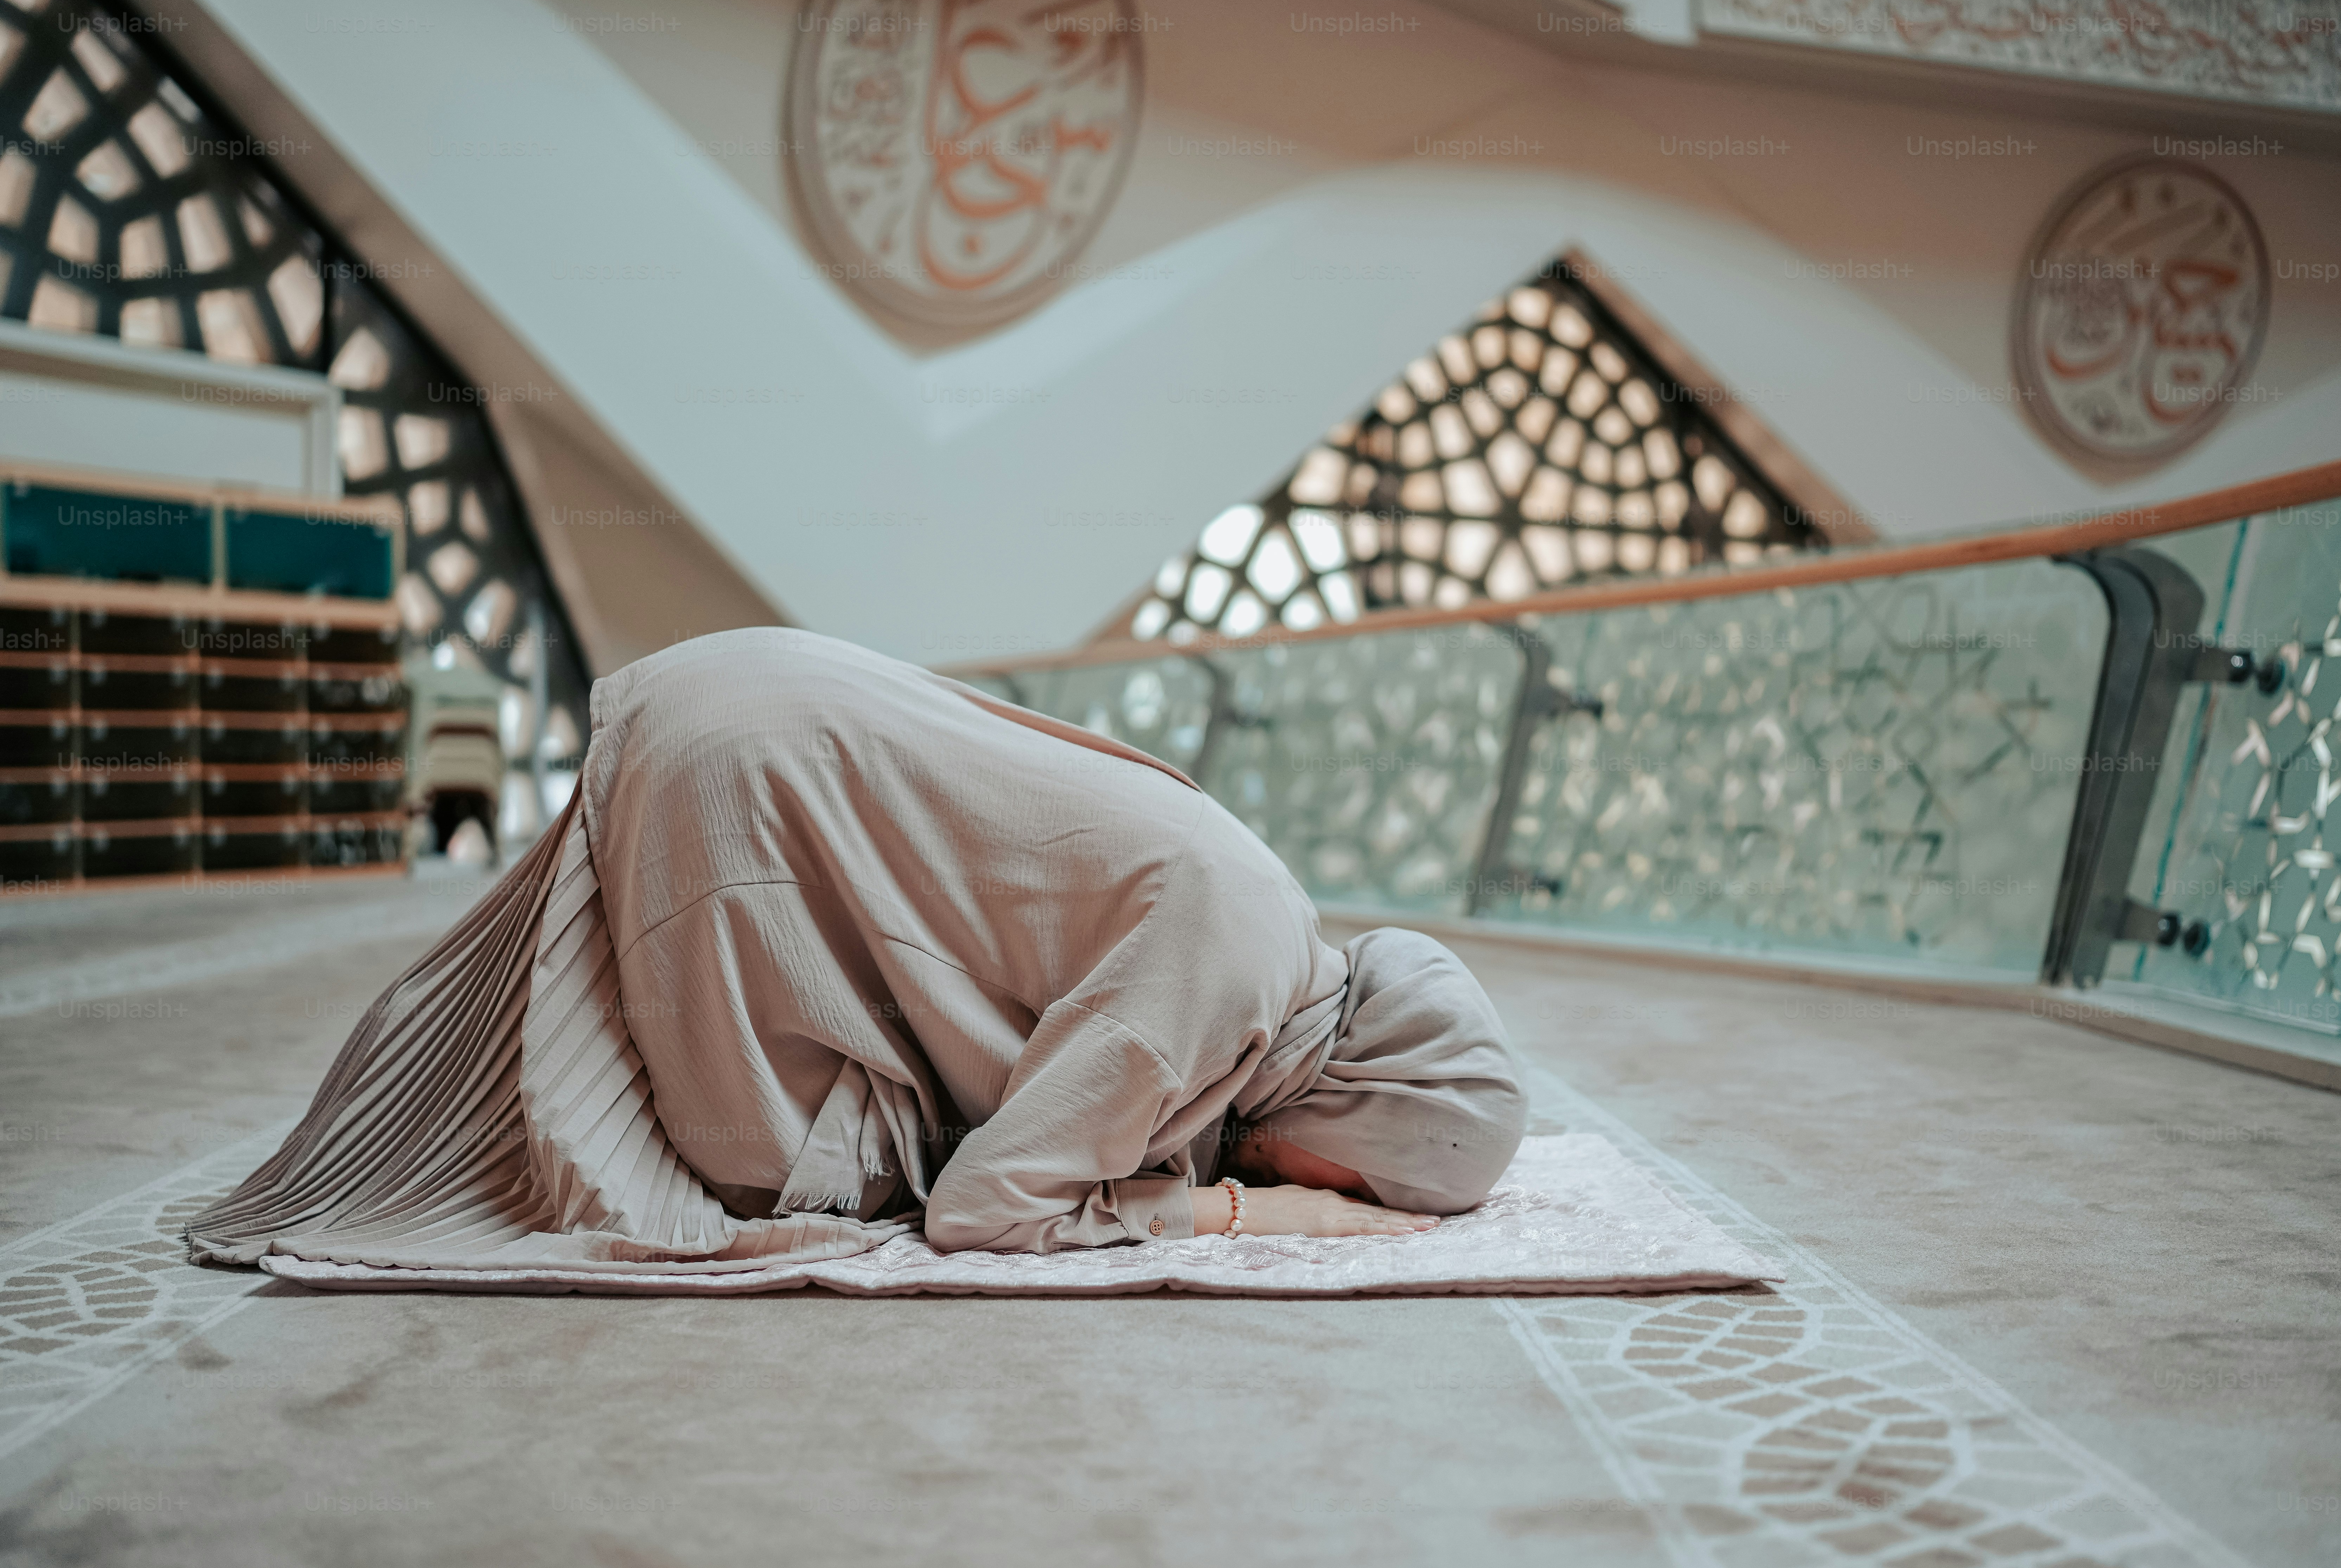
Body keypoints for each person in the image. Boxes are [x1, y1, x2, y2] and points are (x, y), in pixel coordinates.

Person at [189, 629, 1527, 1279]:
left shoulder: (1274, 928)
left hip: (749, 714)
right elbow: (985, 1211)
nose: (1338, 1195)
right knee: (787, 1171)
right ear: (1359, 1120)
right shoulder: (1227, 981)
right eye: (1364, 1188)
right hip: (749, 799)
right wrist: (1246, 1212)